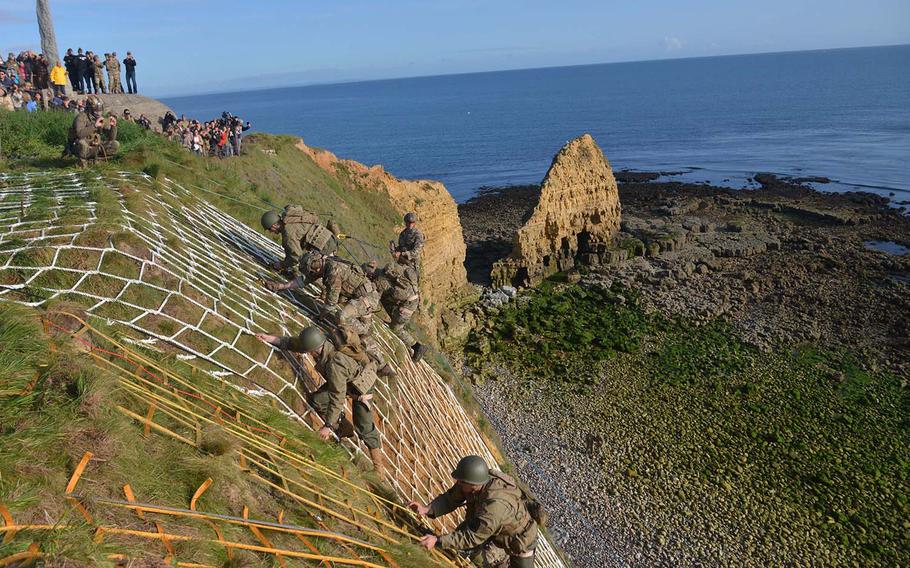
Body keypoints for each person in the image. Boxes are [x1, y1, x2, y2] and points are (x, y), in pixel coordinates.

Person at [255, 326, 386, 472]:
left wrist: (328, 426)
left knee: (365, 428)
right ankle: (344, 427)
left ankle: (378, 469)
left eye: (309, 351)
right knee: (318, 400)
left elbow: (338, 397)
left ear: (314, 349)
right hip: (344, 380)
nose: (307, 353)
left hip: (362, 386)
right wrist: (272, 339)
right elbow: (296, 344)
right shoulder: (321, 342)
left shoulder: (335, 364)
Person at [264, 251, 396, 378]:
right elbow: (303, 281)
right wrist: (280, 286)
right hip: (356, 297)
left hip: (367, 299)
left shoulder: (333, 270)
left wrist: (320, 316)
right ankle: (382, 365)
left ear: (316, 268)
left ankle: (373, 351)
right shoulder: (322, 264)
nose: (312, 274)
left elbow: (331, 302)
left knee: (343, 317)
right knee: (357, 332)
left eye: (312, 271)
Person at [409, 456, 540, 568]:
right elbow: (450, 499)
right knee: (463, 542)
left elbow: (471, 537)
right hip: (489, 526)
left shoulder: (494, 507)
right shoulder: (472, 482)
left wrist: (438, 540)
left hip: (519, 540)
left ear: (473, 484)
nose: (458, 483)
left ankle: (500, 561)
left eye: (461, 481)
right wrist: (427, 509)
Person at [365, 260, 427, 362]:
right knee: (395, 324)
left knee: (396, 328)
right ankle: (417, 346)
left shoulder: (381, 281)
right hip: (410, 303)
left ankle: (417, 347)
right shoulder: (389, 275)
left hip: (405, 309)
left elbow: (374, 299)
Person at [261, 207, 339, 276]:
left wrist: (280, 265)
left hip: (324, 247)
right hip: (330, 238)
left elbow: (295, 257)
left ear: (274, 225)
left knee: (306, 266)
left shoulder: (288, 234)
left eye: (269, 229)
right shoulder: (291, 217)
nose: (271, 232)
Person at [65, 96, 120, 167]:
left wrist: (113, 126)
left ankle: (96, 160)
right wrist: (95, 126)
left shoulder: (100, 118)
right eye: (96, 110)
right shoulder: (81, 117)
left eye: (100, 110)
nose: (99, 113)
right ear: (90, 109)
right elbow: (79, 134)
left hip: (95, 145)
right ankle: (82, 163)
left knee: (115, 144)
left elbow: (111, 138)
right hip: (78, 146)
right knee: (82, 143)